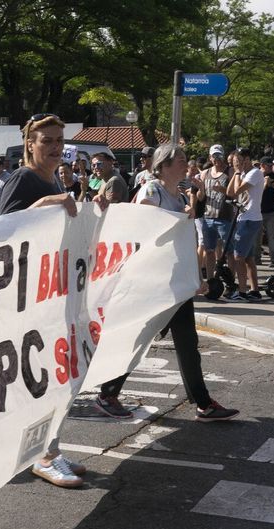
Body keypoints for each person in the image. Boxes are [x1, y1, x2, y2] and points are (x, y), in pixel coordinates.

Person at [94, 143, 238, 422]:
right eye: (181, 160)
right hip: (153, 284)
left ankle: (203, 403)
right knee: (138, 338)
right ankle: (108, 393)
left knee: (187, 343)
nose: (187, 164)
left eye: (186, 160)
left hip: (175, 284)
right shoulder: (152, 190)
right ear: (162, 165)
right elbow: (140, 230)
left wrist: (194, 277)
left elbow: (184, 242)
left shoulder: (180, 194)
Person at [0, 113, 88, 488]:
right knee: (41, 378)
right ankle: (44, 456)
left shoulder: (52, 178)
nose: (55, 147)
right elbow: (4, 227)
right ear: (29, 145)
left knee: (55, 376)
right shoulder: (25, 179)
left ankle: (48, 447)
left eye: (58, 140)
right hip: (27, 296)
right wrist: (51, 200)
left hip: (50, 292)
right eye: (46, 140)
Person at [223, 147, 265, 301]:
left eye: (239, 161)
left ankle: (241, 292)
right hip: (244, 218)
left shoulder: (254, 173)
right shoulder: (244, 173)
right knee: (248, 258)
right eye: (235, 162)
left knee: (238, 257)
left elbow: (236, 191)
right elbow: (229, 192)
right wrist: (236, 172)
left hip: (250, 219)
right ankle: (254, 290)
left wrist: (239, 172)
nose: (236, 164)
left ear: (247, 160)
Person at [198, 145, 233, 286]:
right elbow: (201, 197)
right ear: (210, 157)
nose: (216, 159)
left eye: (219, 156)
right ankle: (211, 280)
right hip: (208, 217)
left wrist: (222, 189)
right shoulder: (204, 173)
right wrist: (200, 188)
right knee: (209, 250)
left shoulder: (229, 172)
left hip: (224, 216)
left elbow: (235, 193)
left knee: (229, 251)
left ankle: (231, 281)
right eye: (214, 156)